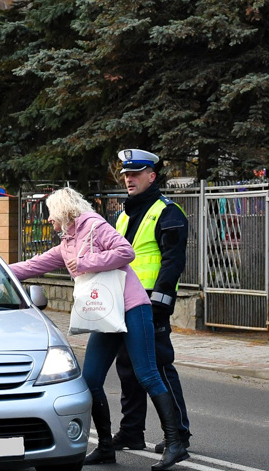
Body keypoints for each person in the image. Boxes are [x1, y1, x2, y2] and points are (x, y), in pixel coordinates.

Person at [9, 187, 189, 471]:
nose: (49, 222)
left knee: (146, 372)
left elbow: (125, 252)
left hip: (132, 306)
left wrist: (85, 262)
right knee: (90, 379)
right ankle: (105, 446)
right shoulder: (67, 241)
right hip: (105, 314)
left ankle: (175, 442)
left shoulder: (93, 225)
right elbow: (34, 265)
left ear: (62, 211)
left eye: (51, 216)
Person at [111, 149, 191, 454]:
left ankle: (179, 434)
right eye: (126, 175)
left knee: (158, 365)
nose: (129, 180)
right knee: (127, 367)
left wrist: (160, 303)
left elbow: (173, 262)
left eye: (135, 174)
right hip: (123, 302)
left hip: (151, 303)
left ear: (151, 176)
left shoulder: (168, 212)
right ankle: (131, 431)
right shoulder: (123, 214)